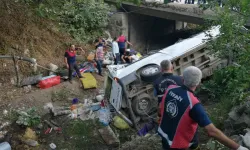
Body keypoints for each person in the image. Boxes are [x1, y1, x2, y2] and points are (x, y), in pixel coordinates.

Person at [158, 66, 248, 150]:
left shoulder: (170, 89)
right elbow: (212, 131)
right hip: (182, 145)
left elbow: (160, 109)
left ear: (182, 79)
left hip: (165, 137)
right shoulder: (193, 104)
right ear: (198, 83)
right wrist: (239, 148)